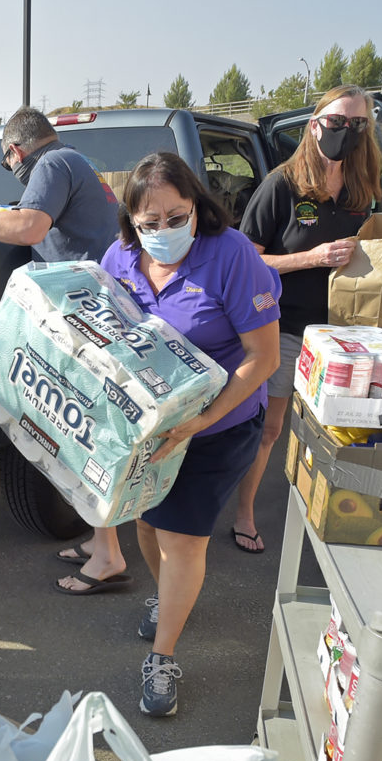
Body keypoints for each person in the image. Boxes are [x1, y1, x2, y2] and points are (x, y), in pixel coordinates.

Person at [97, 153, 280, 717]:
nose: (164, 232)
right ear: (132, 222)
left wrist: (201, 421)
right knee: (148, 523)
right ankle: (168, 596)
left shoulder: (232, 258)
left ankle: (162, 656)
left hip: (218, 424)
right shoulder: (120, 258)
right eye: (149, 223)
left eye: (176, 217)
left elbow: (263, 357)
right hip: (152, 424)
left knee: (182, 539)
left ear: (198, 208)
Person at [0, 106, 125, 594]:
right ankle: (102, 542)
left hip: (85, 317)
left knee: (89, 434)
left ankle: (109, 555)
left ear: (15, 150)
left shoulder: (54, 165)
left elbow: (30, 229)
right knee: (87, 431)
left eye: (7, 161)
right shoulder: (77, 163)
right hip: (95, 310)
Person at [232, 85, 381, 554]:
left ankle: (331, 516)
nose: (345, 133)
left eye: (356, 125)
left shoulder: (362, 190)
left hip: (342, 333)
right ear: (314, 125)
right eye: (336, 122)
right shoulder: (283, 185)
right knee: (270, 430)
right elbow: (246, 262)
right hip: (286, 329)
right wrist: (311, 258)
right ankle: (244, 513)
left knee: (336, 431)